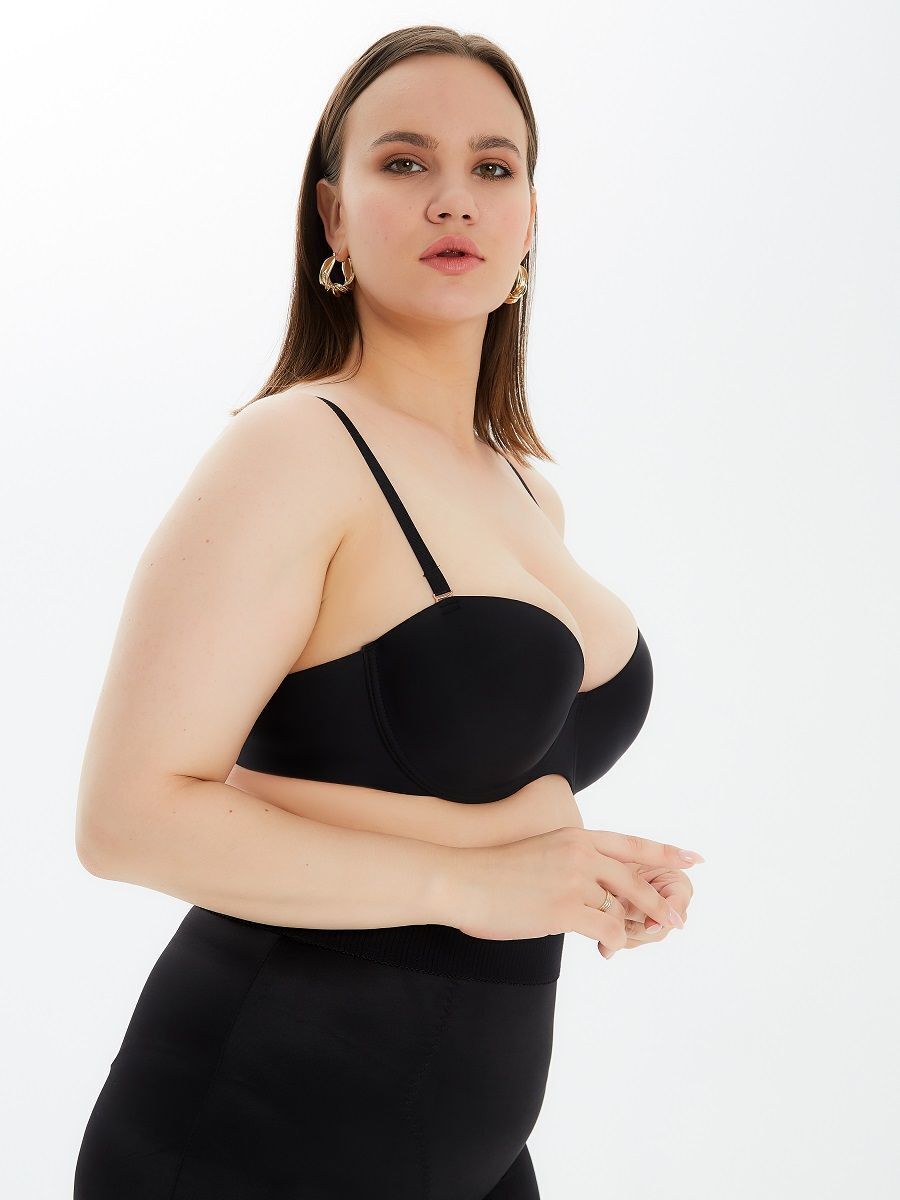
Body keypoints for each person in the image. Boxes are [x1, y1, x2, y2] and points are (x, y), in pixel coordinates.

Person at [73, 25, 703, 1200]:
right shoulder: (293, 448)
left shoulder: (527, 492)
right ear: (332, 215)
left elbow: (459, 793)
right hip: (247, 1139)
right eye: (405, 162)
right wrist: (478, 886)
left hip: (472, 1153)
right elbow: (125, 821)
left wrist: (581, 877)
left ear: (530, 220)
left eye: (493, 167)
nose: (453, 198)